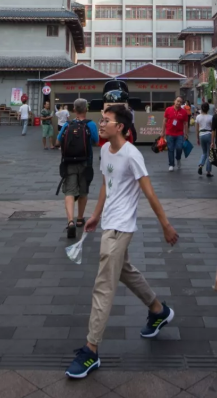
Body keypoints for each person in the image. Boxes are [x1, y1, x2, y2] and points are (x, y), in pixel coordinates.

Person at [66, 104, 179, 379]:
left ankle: (91, 350)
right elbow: (107, 184)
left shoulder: (132, 154)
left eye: (106, 121)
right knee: (125, 271)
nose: (100, 124)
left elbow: (149, 193)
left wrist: (165, 225)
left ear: (121, 127)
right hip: (108, 223)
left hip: (121, 227)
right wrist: (95, 215)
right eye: (101, 119)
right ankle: (158, 309)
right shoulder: (105, 150)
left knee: (103, 285)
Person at [57, 98, 99, 239]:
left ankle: (70, 221)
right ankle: (80, 218)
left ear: (74, 110)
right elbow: (96, 141)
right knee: (83, 190)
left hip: (69, 162)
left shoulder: (68, 125)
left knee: (69, 191)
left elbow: (58, 140)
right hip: (86, 162)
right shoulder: (91, 124)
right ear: (86, 110)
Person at [161, 96, 189, 171]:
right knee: (170, 149)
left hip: (179, 133)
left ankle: (178, 159)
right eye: (177, 101)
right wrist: (162, 131)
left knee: (179, 148)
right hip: (169, 133)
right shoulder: (168, 109)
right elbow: (164, 121)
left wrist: (186, 133)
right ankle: (171, 164)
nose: (178, 103)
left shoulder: (184, 112)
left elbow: (185, 123)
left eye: (180, 102)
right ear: (174, 101)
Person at [196, 102, 214, 177]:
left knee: (204, 153)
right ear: (208, 109)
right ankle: (208, 171)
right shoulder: (211, 117)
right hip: (209, 134)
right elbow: (213, 129)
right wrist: (213, 140)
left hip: (201, 135)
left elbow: (197, 129)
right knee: (210, 153)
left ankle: (201, 164)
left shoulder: (198, 117)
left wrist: (197, 138)